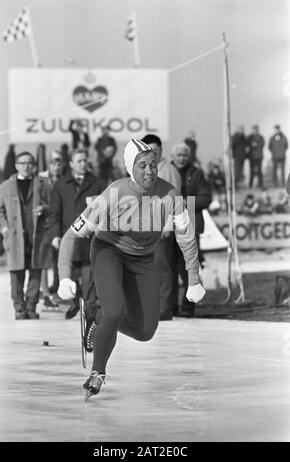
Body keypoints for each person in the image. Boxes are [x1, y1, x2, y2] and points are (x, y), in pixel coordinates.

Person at [57, 138, 205, 398]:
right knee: (115, 311)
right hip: (108, 252)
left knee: (145, 332)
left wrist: (193, 278)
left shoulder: (171, 195)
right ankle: (97, 373)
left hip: (143, 259)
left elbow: (186, 238)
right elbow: (71, 235)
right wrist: (63, 277)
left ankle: (97, 317)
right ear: (129, 168)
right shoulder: (114, 193)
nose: (149, 171)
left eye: (153, 164)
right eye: (141, 166)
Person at [0, 152, 51, 319]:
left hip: (36, 236)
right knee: (16, 274)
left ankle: (31, 307)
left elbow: (52, 205)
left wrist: (44, 209)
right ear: (16, 165)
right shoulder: (5, 186)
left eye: (30, 163)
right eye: (23, 163)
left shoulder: (43, 183)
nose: (26, 166)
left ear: (34, 166)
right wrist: (4, 229)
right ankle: (19, 308)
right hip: (15, 237)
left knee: (35, 272)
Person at [50, 148, 106, 321]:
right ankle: (74, 303)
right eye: (79, 161)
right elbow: (55, 212)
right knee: (70, 276)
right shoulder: (61, 185)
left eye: (85, 161)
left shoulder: (98, 183)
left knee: (90, 278)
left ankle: (89, 309)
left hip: (90, 240)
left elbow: (105, 210)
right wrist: (55, 234)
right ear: (71, 164)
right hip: (69, 238)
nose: (82, 164)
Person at [141, 134, 181, 321]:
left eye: (156, 151)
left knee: (161, 266)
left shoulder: (169, 170)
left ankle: (165, 307)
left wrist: (168, 223)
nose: (153, 154)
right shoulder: (142, 168)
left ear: (161, 151)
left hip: (161, 225)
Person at [171, 142, 211, 317]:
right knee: (168, 268)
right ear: (173, 156)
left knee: (189, 267)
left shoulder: (197, 173)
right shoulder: (165, 172)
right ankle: (170, 306)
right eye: (179, 155)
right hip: (168, 226)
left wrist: (186, 203)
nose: (182, 158)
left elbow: (206, 198)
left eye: (184, 155)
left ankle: (188, 307)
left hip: (191, 226)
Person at [39, 150, 65, 303]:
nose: (56, 166)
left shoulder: (65, 179)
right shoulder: (41, 179)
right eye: (53, 163)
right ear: (48, 164)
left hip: (59, 224)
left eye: (59, 163)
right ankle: (45, 291)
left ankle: (56, 286)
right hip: (44, 224)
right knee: (44, 260)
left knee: (59, 258)